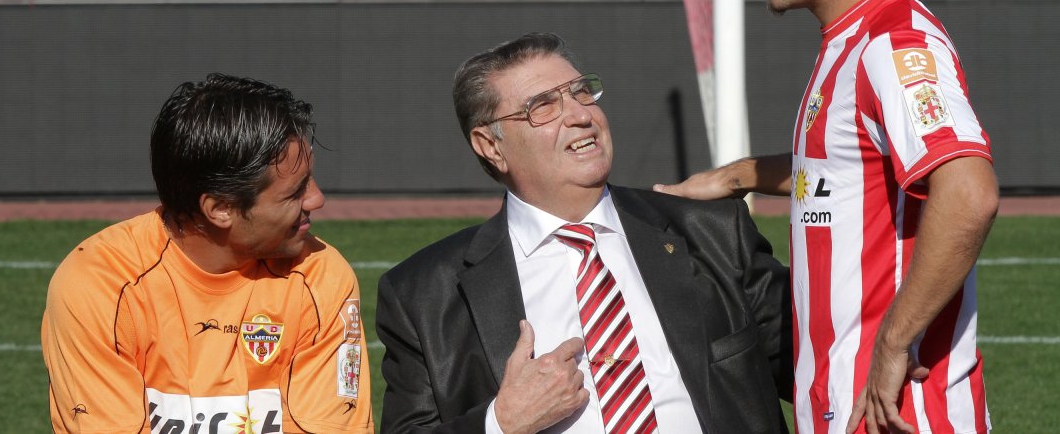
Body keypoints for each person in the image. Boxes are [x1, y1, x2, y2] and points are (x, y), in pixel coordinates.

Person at [654, 0, 999, 434]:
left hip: (899, 414)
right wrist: (738, 177)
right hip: (844, 409)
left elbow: (969, 193)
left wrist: (893, 343)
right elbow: (850, 168)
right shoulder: (850, 40)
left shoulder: (895, 43)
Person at [376, 32, 793, 433]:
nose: (580, 115)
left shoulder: (712, 234)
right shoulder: (423, 294)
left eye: (580, 92)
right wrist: (502, 425)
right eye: (542, 106)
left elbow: (826, 360)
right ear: (490, 145)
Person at [42, 73, 373, 433]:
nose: (317, 199)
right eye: (295, 193)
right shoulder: (99, 283)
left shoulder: (320, 276)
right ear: (220, 209)